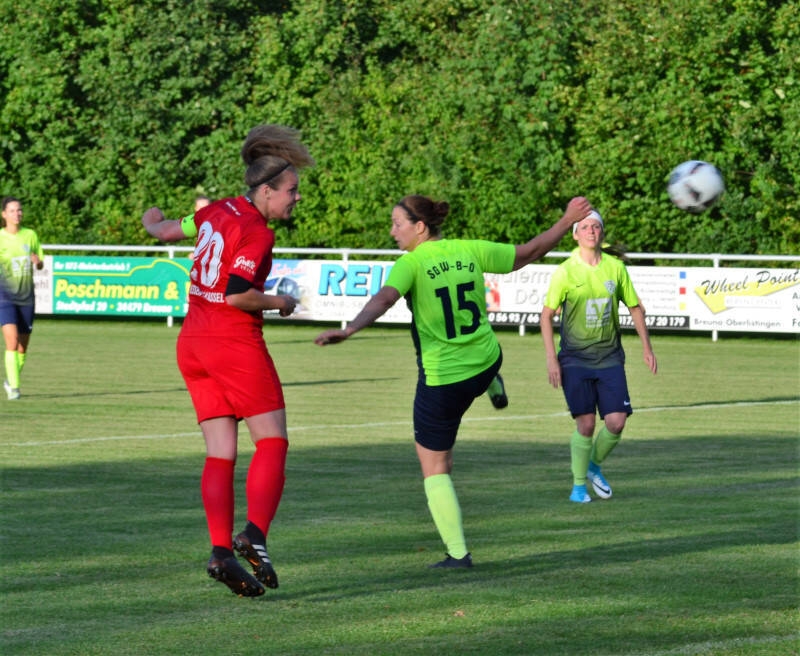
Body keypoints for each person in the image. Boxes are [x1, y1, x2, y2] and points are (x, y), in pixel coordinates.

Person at [315, 194, 592, 568]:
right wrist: (567, 219)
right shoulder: (468, 249)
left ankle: (458, 554)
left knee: (435, 468)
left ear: (420, 227)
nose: (392, 231)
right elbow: (530, 252)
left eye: (397, 224)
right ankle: (493, 381)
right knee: (484, 367)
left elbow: (384, 299)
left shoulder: (411, 263)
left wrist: (350, 330)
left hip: (445, 381)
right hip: (487, 360)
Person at [141, 124, 314, 596]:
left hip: (193, 343)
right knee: (272, 442)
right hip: (231, 342)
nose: (296, 198)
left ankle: (221, 552)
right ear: (266, 190)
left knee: (220, 452)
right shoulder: (257, 232)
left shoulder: (215, 210)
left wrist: (152, 219)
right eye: (291, 190)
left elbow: (164, 230)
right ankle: (254, 534)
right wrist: (279, 302)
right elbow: (238, 294)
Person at [540, 210, 657, 504]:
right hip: (574, 359)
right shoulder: (565, 271)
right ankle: (578, 487)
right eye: (585, 227)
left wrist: (647, 347)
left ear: (602, 233)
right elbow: (546, 316)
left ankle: (592, 465)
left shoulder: (616, 269)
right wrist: (551, 359)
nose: (591, 231)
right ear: (575, 234)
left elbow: (635, 307)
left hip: (609, 357)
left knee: (617, 422)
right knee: (587, 424)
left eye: (596, 226)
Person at [0, 196, 44, 401]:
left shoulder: (30, 235)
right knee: (12, 341)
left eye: (19, 210)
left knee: (22, 347)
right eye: (12, 210)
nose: (17, 214)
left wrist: (37, 262)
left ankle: (10, 381)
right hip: (5, 296)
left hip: (26, 297)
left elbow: (40, 262)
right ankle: (15, 389)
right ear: (4, 214)